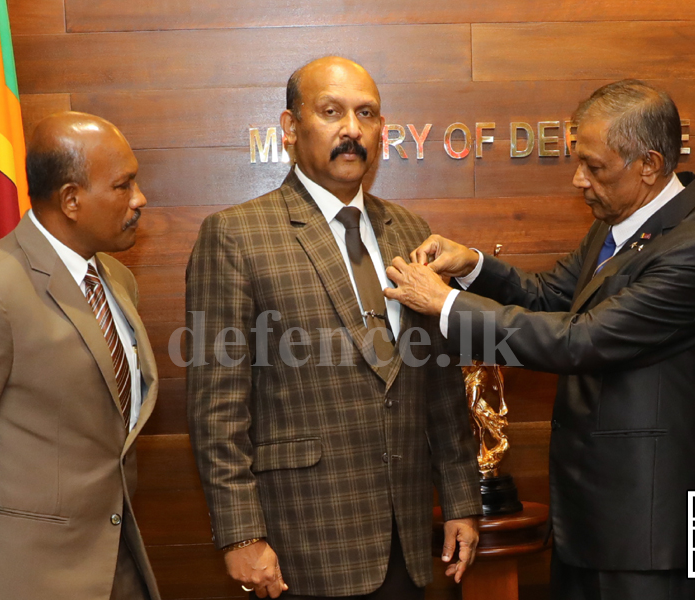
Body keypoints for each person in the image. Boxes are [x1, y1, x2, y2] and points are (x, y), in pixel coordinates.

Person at [385, 80, 695, 600]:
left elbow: (581, 341)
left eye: (594, 168)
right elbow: (548, 295)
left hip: (651, 527)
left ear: (649, 165)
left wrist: (446, 305)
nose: (579, 180)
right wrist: (473, 266)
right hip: (593, 520)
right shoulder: (619, 222)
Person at [187, 56, 481, 599]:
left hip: (409, 539)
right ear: (290, 128)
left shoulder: (411, 230)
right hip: (302, 541)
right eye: (331, 112)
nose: (351, 129)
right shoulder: (235, 236)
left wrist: (461, 498)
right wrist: (239, 534)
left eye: (365, 113)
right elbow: (217, 409)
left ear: (381, 131)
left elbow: (437, 379)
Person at [0, 112, 161, 600]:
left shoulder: (117, 283)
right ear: (71, 200)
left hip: (113, 569)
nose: (140, 199)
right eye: (123, 185)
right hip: (17, 576)